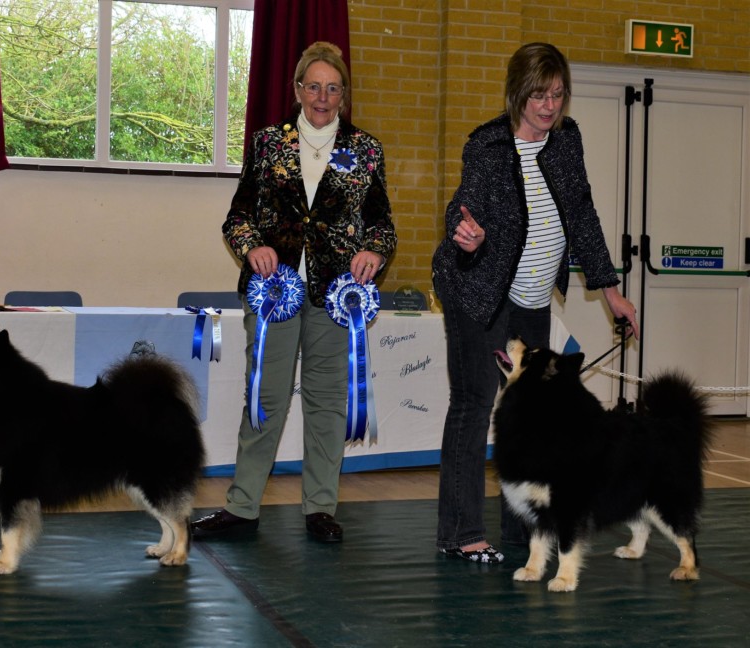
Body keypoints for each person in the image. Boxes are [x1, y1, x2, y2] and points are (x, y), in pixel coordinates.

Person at [431, 42, 640, 563]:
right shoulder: (487, 145)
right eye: (538, 95)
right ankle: (461, 532)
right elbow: (463, 207)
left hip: (531, 297)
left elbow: (583, 215)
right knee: (475, 404)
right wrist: (469, 236)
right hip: (478, 292)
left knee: (533, 413)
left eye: (557, 94)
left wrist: (611, 289)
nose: (548, 106)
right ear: (517, 92)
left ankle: (526, 526)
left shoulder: (567, 141)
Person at [195, 41, 397, 543]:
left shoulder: (366, 151)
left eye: (333, 88)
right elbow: (237, 217)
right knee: (264, 400)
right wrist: (252, 247)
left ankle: (320, 509)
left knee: (328, 405)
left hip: (336, 298)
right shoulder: (267, 145)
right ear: (297, 90)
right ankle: (242, 509)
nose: (322, 97)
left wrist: (374, 252)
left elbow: (382, 226)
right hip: (272, 294)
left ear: (343, 95)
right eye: (314, 86)